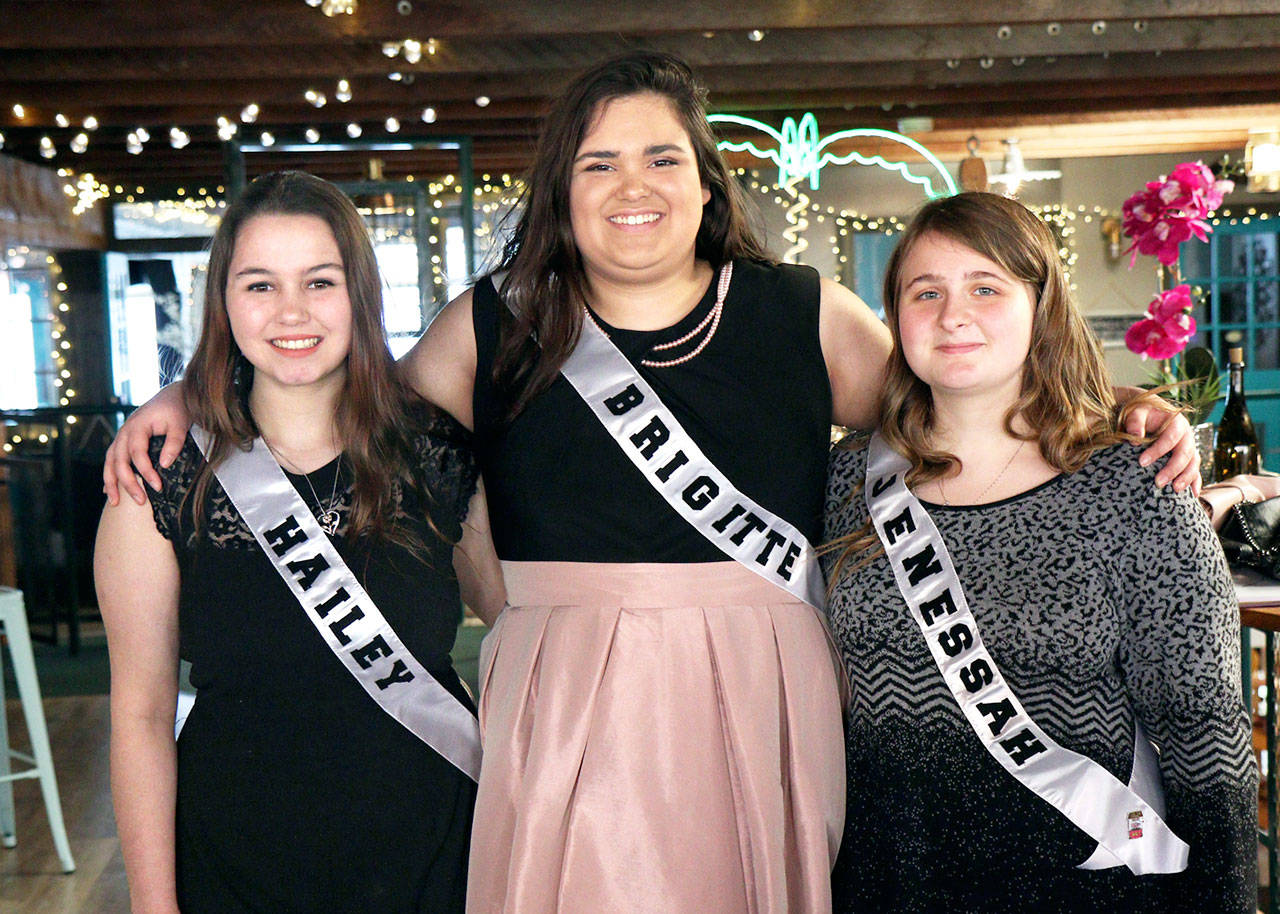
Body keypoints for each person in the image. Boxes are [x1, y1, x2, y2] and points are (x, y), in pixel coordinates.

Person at [102, 55, 1200, 914]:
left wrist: (1120, 411)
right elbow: (335, 383)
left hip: (761, 678)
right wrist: (183, 400)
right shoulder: (500, 321)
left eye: (661, 159)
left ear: (704, 177)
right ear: (562, 191)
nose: (632, 188)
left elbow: (952, 403)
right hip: (561, 686)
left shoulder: (795, 309)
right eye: (597, 164)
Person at [822, 191, 1257, 912]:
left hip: (1084, 887)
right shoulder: (848, 483)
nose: (952, 314)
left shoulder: (1136, 486)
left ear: (1041, 307)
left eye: (985, 288)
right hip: (891, 881)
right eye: (923, 292)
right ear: (895, 318)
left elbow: (1204, 733)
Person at [94, 171, 502, 914]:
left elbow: (525, 627)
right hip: (236, 862)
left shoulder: (436, 453)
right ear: (223, 303)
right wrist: (154, 906)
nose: (291, 312)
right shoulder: (158, 482)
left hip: (438, 855)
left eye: (320, 282)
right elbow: (142, 716)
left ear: (359, 296)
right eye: (259, 286)